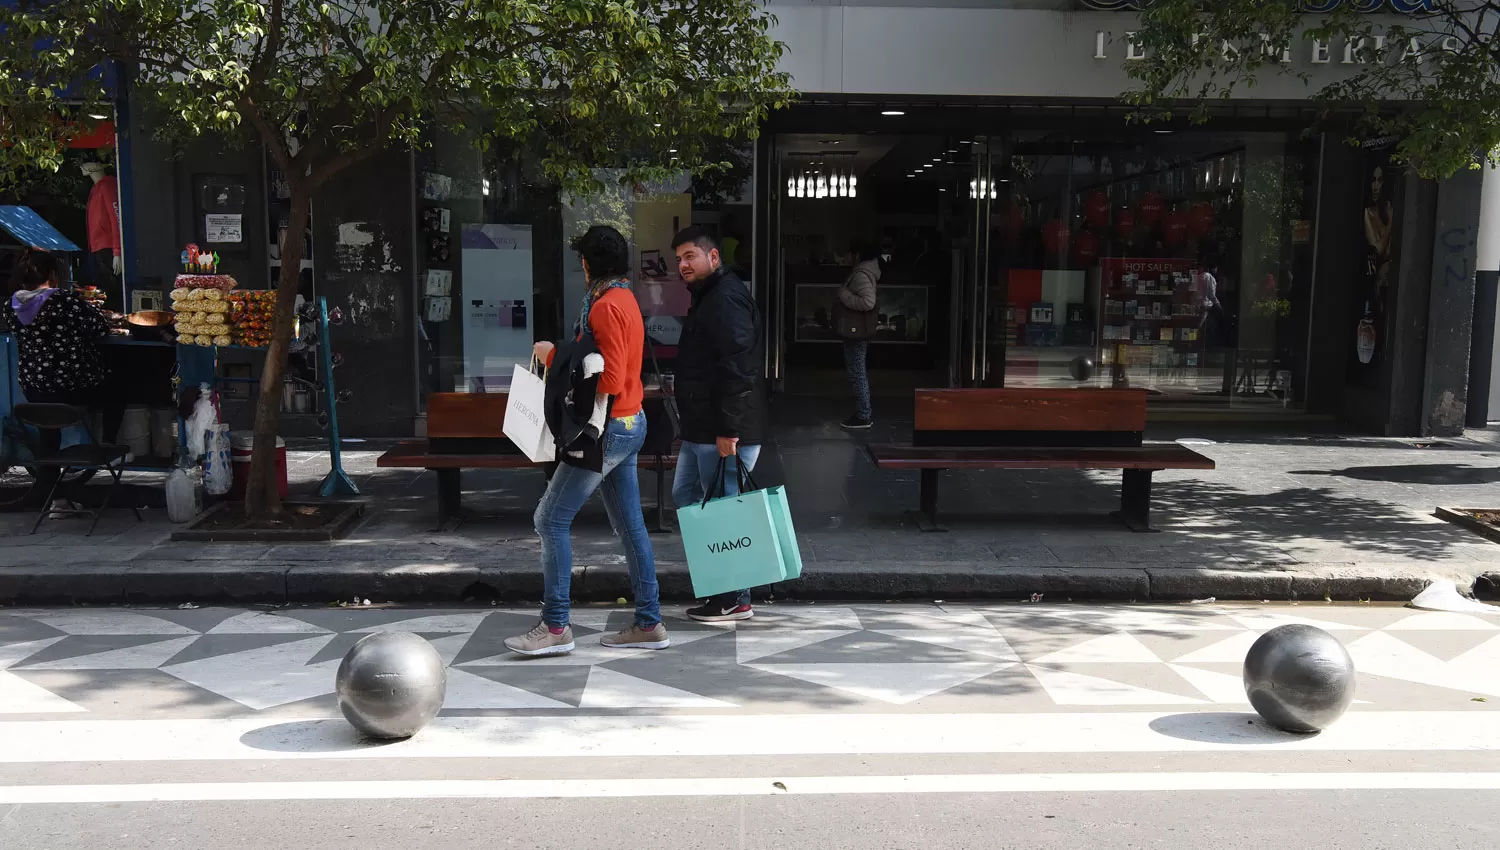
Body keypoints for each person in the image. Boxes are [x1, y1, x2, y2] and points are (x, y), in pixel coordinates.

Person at [503, 226, 666, 656]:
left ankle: (556, 627)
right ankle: (649, 622)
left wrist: (554, 355)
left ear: (587, 263)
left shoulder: (605, 307)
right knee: (631, 527)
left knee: (549, 520)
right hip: (630, 422)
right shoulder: (625, 298)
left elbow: (607, 378)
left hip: (606, 429)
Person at [670, 226, 768, 623]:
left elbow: (738, 367)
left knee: (723, 510)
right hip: (703, 427)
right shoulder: (710, 297)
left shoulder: (725, 298)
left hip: (723, 429)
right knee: (688, 497)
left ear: (713, 257)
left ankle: (733, 596)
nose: (682, 265)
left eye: (690, 256)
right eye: (679, 258)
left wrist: (729, 429)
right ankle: (724, 588)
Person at [1, 249, 121, 447]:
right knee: (116, 393)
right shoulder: (64, 301)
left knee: (48, 425)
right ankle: (108, 446)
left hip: (34, 389)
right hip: (72, 387)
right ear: (52, 275)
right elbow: (99, 327)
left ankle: (48, 471)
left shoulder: (10, 306)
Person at [837, 240, 881, 429]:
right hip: (859, 331)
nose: (847, 256)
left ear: (857, 255)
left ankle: (864, 414)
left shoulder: (861, 274)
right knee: (857, 370)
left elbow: (868, 302)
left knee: (857, 371)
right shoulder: (866, 271)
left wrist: (843, 294)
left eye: (849, 252)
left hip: (857, 331)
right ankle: (863, 413)